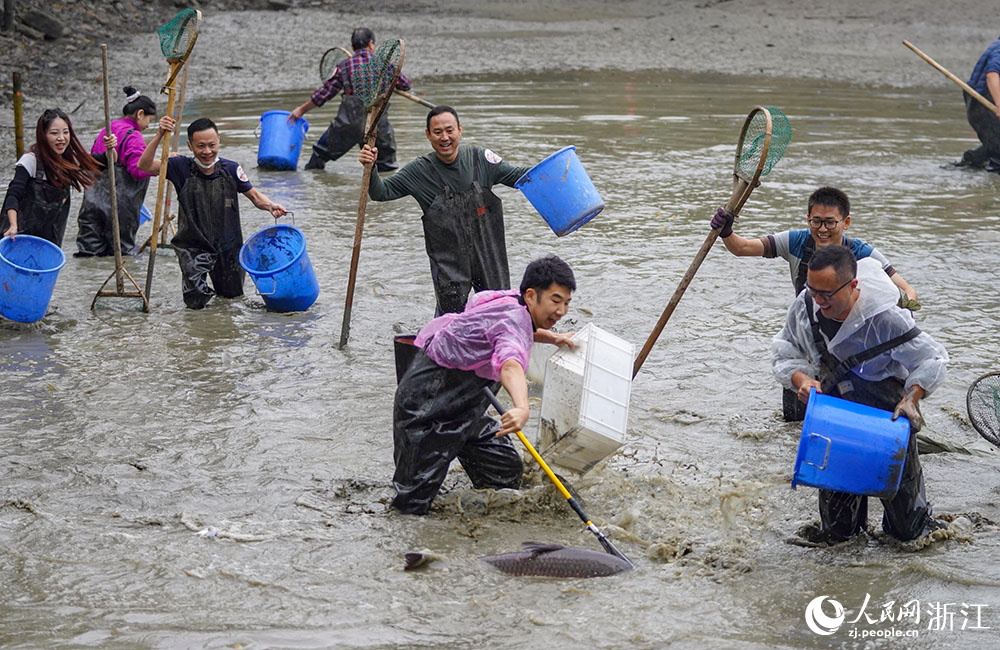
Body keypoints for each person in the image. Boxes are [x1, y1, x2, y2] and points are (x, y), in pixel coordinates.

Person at [772, 245, 948, 543]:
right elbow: (785, 352)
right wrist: (801, 379)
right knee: (838, 535)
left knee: (908, 534)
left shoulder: (886, 318)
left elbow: (932, 359)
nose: (819, 301)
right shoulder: (806, 306)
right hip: (835, 415)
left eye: (827, 294)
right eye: (813, 291)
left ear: (853, 285)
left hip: (886, 415)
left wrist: (911, 399)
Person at [711, 186, 919, 421]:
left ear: (846, 222)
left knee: (846, 420)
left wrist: (903, 313)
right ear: (808, 219)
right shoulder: (796, 242)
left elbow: (907, 291)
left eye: (830, 223)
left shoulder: (862, 253)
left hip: (848, 347)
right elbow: (742, 248)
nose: (822, 230)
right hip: (806, 340)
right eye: (816, 222)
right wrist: (726, 231)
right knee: (794, 424)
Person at [391, 255, 577, 515]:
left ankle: (478, 521)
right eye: (555, 301)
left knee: (504, 470)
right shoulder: (512, 327)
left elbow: (505, 328)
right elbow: (510, 365)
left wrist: (553, 338)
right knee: (412, 503)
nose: (561, 311)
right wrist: (522, 407)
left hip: (466, 404)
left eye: (567, 303)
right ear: (532, 295)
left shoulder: (511, 300)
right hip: (427, 407)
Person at [360, 105, 531, 315]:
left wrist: (554, 169)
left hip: (488, 254)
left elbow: (519, 177)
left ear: (460, 129)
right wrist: (371, 167)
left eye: (449, 131)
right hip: (449, 265)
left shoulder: (481, 159)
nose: (445, 138)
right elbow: (381, 193)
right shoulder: (418, 171)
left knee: (498, 311)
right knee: (449, 322)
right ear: (428, 135)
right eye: (438, 132)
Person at [138, 115, 287, 309]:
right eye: (200, 146)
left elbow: (255, 196)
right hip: (192, 245)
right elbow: (144, 166)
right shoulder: (179, 166)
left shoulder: (232, 169)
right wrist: (159, 134)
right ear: (190, 146)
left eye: (212, 145)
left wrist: (270, 206)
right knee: (196, 301)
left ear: (219, 143)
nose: (207, 151)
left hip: (228, 246)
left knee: (231, 301)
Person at [288, 27, 411, 172]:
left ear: (353, 47)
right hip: (378, 126)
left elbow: (324, 93)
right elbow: (405, 85)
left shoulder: (344, 66)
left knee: (319, 154)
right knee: (386, 166)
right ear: (371, 44)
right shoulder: (385, 65)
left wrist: (301, 110)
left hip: (348, 125)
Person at [2, 109, 112, 246]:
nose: (61, 138)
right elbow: (13, 195)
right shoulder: (30, 161)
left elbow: (107, 161)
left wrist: (111, 147)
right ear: (43, 135)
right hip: (17, 238)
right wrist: (13, 225)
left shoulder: (69, 161)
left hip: (49, 244)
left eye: (65, 132)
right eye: (54, 133)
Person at [74, 87, 157, 257]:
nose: (149, 125)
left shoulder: (108, 129)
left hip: (92, 205)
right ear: (140, 114)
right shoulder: (134, 137)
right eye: (150, 120)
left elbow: (94, 160)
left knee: (88, 253)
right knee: (121, 253)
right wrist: (165, 163)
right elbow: (138, 170)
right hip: (119, 211)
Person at [955, 35, 1000, 172]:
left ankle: (972, 161)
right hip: (983, 104)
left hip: (976, 101)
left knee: (995, 143)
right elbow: (991, 75)